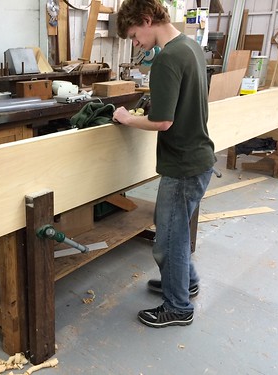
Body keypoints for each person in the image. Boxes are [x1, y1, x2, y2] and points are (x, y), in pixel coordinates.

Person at [113, 0, 216, 328]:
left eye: (133, 36)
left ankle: (177, 307)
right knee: (174, 228)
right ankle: (186, 281)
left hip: (183, 164)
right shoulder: (191, 46)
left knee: (168, 238)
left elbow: (163, 122)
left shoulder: (168, 59)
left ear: (146, 20)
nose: (135, 44)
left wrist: (128, 118)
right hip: (199, 157)